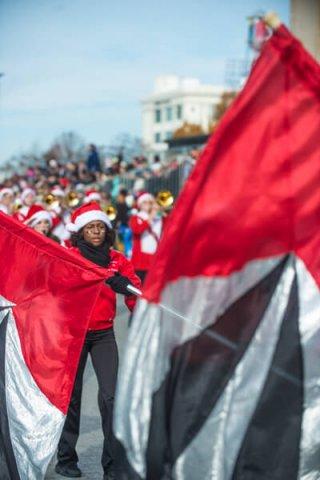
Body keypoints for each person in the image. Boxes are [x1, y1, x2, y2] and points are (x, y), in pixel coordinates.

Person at [55, 202, 140, 480]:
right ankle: (66, 459)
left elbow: (135, 291)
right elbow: (54, 287)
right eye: (90, 227)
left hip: (104, 334)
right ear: (81, 231)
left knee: (111, 397)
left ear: (106, 230)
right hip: (74, 333)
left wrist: (125, 287)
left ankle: (112, 465)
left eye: (100, 227)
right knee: (72, 398)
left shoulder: (117, 259)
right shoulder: (69, 256)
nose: (96, 232)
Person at [129, 192, 163, 284]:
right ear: (140, 205)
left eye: (150, 202)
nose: (148, 204)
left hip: (155, 260)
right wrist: (151, 217)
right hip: (140, 262)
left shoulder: (159, 219)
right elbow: (137, 230)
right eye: (145, 202)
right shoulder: (136, 218)